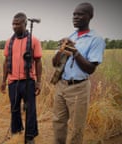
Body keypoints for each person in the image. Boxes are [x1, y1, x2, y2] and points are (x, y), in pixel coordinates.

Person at [52, 2, 106, 144]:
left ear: (90, 16)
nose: (75, 17)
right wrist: (61, 50)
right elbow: (55, 63)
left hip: (79, 88)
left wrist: (75, 52)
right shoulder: (71, 36)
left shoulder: (96, 39)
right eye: (74, 14)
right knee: (58, 122)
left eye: (80, 14)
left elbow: (90, 69)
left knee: (77, 127)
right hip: (61, 85)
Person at [0, 12, 42, 144]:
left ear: (25, 24)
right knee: (15, 108)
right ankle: (16, 132)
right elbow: (6, 61)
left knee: (30, 109)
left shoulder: (34, 40)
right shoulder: (9, 41)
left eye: (17, 24)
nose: (14, 26)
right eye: (13, 24)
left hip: (28, 81)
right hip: (13, 81)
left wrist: (38, 82)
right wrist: (3, 80)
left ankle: (30, 136)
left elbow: (38, 61)